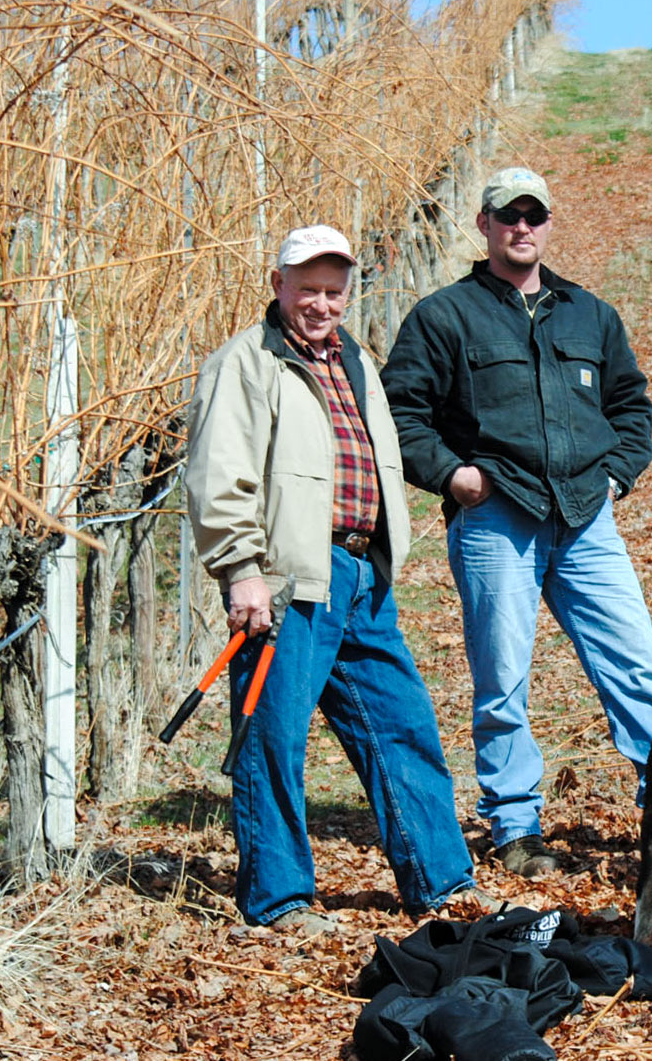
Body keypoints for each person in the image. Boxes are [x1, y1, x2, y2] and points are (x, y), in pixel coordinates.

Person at [186, 223, 482, 933]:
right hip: (288, 582)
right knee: (273, 738)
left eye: (334, 291)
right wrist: (242, 572)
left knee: (403, 728)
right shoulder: (245, 363)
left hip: (361, 576)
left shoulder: (355, 359)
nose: (321, 304)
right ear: (278, 285)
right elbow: (220, 476)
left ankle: (444, 885)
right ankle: (279, 900)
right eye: (308, 289)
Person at [381, 167, 652, 879]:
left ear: (548, 223)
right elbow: (399, 413)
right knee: (503, 680)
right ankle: (515, 825)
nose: (522, 227)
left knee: (635, 667)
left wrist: (615, 474)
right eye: (508, 215)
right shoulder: (444, 316)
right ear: (484, 224)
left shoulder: (589, 314)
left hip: (586, 517)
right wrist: (453, 475)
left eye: (534, 216)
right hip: (496, 519)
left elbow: (631, 406)